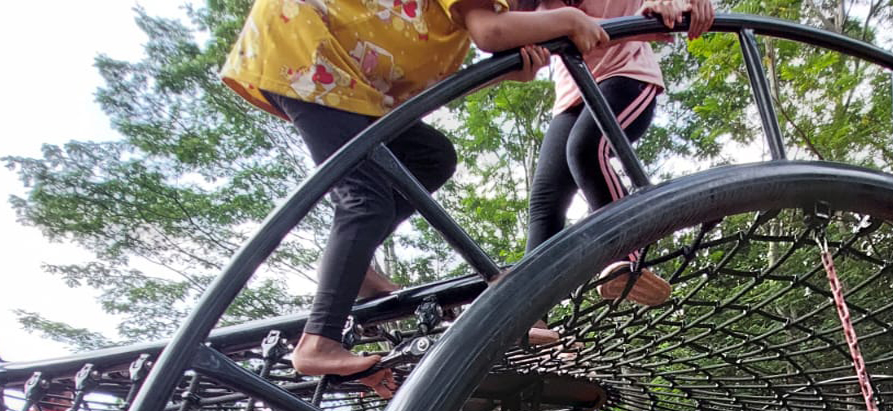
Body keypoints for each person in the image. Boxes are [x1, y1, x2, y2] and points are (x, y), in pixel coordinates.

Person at [221, 0, 607, 389]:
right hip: (311, 49)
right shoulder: (478, 17)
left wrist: (505, 73)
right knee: (364, 201)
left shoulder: (443, 28)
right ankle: (319, 339)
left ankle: (357, 270)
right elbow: (491, 33)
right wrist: (571, 19)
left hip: (348, 77)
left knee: (430, 157)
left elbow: (433, 91)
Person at [523, 0, 713, 308]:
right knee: (546, 198)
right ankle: (529, 316)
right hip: (573, 94)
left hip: (625, 74)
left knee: (586, 149)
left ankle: (625, 259)